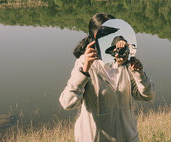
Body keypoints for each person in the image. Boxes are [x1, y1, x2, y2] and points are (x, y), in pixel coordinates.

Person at [59, 13, 154, 142]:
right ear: (95, 39)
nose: (113, 40)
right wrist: (84, 71)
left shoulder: (124, 60)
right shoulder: (85, 64)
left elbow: (147, 95)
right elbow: (67, 103)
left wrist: (138, 73)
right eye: (107, 36)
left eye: (116, 35)